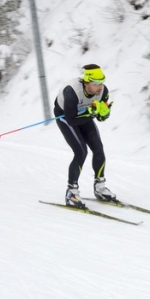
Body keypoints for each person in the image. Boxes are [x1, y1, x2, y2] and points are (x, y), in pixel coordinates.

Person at [54, 64, 116, 208]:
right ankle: (71, 192)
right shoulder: (72, 92)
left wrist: (103, 114)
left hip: (85, 115)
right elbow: (71, 120)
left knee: (99, 149)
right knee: (81, 151)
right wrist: (92, 113)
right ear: (87, 82)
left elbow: (100, 117)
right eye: (96, 83)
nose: (100, 87)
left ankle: (100, 187)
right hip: (66, 116)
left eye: (102, 82)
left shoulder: (103, 91)